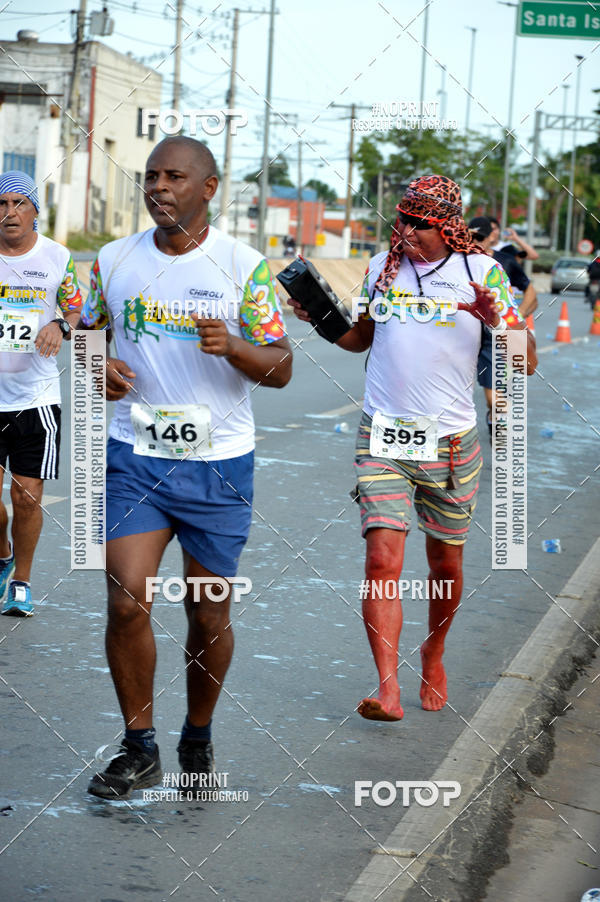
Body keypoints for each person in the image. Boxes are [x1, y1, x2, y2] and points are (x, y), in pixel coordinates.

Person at [80, 137, 292, 799]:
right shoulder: (113, 260)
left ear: (209, 188)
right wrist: (97, 366)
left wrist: (234, 346)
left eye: (175, 176)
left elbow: (282, 367)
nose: (159, 187)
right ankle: (138, 746)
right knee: (125, 597)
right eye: (151, 176)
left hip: (218, 467)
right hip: (135, 457)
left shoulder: (243, 267)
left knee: (207, 615)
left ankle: (196, 731)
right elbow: (88, 334)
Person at [290, 175, 537, 721]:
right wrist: (322, 319)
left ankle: (434, 650)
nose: (404, 233)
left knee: (445, 562)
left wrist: (496, 320)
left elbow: (527, 362)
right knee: (381, 558)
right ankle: (387, 687)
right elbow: (361, 339)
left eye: (417, 226)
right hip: (383, 436)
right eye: (399, 221)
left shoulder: (483, 273)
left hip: (451, 443)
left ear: (447, 226)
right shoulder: (383, 268)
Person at [0, 171, 82, 616]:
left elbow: (75, 305)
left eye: (18, 203)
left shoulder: (56, 257)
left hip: (35, 397)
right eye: (1, 204)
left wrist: (60, 324)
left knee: (26, 496)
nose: (8, 213)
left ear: (34, 211)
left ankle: (22, 581)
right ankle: (1, 553)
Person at [469, 216, 538, 439]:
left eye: (479, 237)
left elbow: (531, 293)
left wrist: (514, 320)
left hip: (493, 334)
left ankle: (496, 419)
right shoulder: (458, 261)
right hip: (462, 333)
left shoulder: (503, 262)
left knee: (494, 398)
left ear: (492, 237)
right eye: (470, 236)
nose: (474, 241)